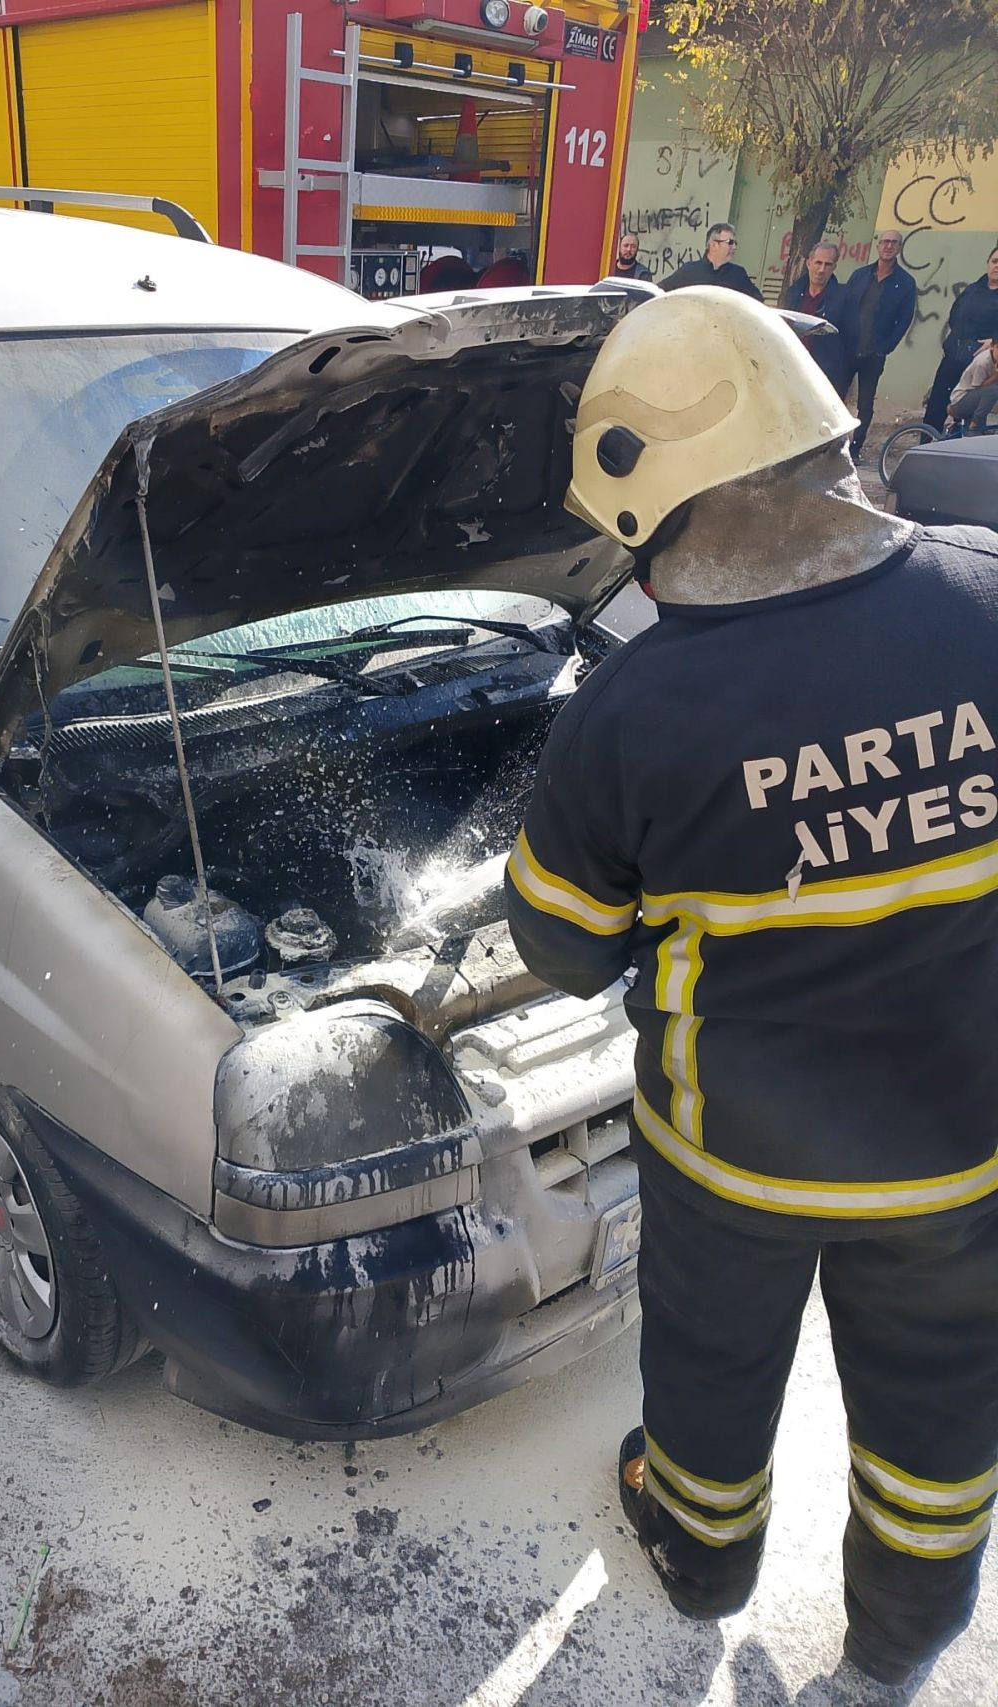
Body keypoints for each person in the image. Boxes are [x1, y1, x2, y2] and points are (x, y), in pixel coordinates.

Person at [505, 284, 998, 1692]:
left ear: (656, 505)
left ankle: (702, 1553)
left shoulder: (637, 711)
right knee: (940, 1414)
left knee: (712, 1376)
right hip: (964, 1154)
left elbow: (558, 940)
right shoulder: (989, 598)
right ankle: (897, 1651)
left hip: (738, 1160)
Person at [841, 230, 917, 458]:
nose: (888, 246)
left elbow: (905, 319)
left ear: (899, 248)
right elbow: (845, 305)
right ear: (878, 246)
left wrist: (887, 346)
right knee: (835, 398)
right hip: (848, 348)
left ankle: (855, 448)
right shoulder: (860, 275)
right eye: (885, 241)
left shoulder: (905, 283)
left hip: (874, 353)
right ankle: (830, 445)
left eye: (893, 242)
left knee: (865, 404)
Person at [924, 246, 998, 431]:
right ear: (988, 263)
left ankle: (966, 448)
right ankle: (926, 444)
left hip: (981, 362)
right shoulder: (973, 289)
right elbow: (955, 315)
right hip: (954, 354)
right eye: (994, 261)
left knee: (970, 409)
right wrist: (950, 343)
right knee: (937, 402)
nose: (997, 266)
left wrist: (995, 341)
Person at [781, 241, 849, 390]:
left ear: (834, 268)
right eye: (818, 263)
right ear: (809, 263)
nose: (821, 269)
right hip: (792, 366)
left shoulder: (843, 298)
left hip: (824, 374)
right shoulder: (793, 293)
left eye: (828, 265)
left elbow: (850, 340)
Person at [659, 223, 763, 299]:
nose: (734, 247)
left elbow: (757, 300)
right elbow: (660, 290)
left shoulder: (738, 273)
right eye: (730, 242)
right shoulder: (690, 271)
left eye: (735, 243)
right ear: (713, 245)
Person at [947, 337, 998, 433]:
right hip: (961, 400)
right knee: (994, 390)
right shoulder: (982, 363)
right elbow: (977, 389)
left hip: (977, 399)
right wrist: (995, 376)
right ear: (992, 346)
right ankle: (975, 423)